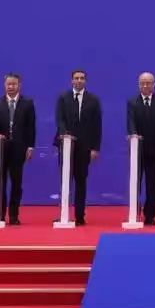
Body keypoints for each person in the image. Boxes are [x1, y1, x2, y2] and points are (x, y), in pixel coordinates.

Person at [54, 69, 102, 226]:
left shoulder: (93, 100)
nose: (79, 80)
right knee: (65, 181)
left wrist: (95, 148)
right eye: (76, 78)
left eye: (82, 78)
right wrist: (64, 135)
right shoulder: (63, 98)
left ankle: (80, 216)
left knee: (81, 181)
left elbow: (97, 126)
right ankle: (63, 214)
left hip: (84, 147)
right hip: (66, 145)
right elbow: (60, 119)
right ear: (71, 80)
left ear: (85, 81)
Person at [0, 72, 36, 224]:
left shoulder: (27, 103)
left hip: (19, 148)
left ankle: (14, 215)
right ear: (5, 85)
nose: (11, 87)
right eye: (8, 84)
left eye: (14, 84)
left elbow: (30, 127)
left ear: (19, 85)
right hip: (1, 148)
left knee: (16, 183)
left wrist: (30, 146)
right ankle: (0, 214)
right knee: (0, 182)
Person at [126, 71, 155, 226]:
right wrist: (133, 135)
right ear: (139, 85)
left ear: (154, 84)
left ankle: (150, 214)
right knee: (135, 182)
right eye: (142, 83)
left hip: (154, 149)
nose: (145, 85)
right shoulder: (132, 102)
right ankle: (134, 211)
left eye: (148, 83)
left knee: (152, 183)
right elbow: (130, 122)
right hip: (136, 149)